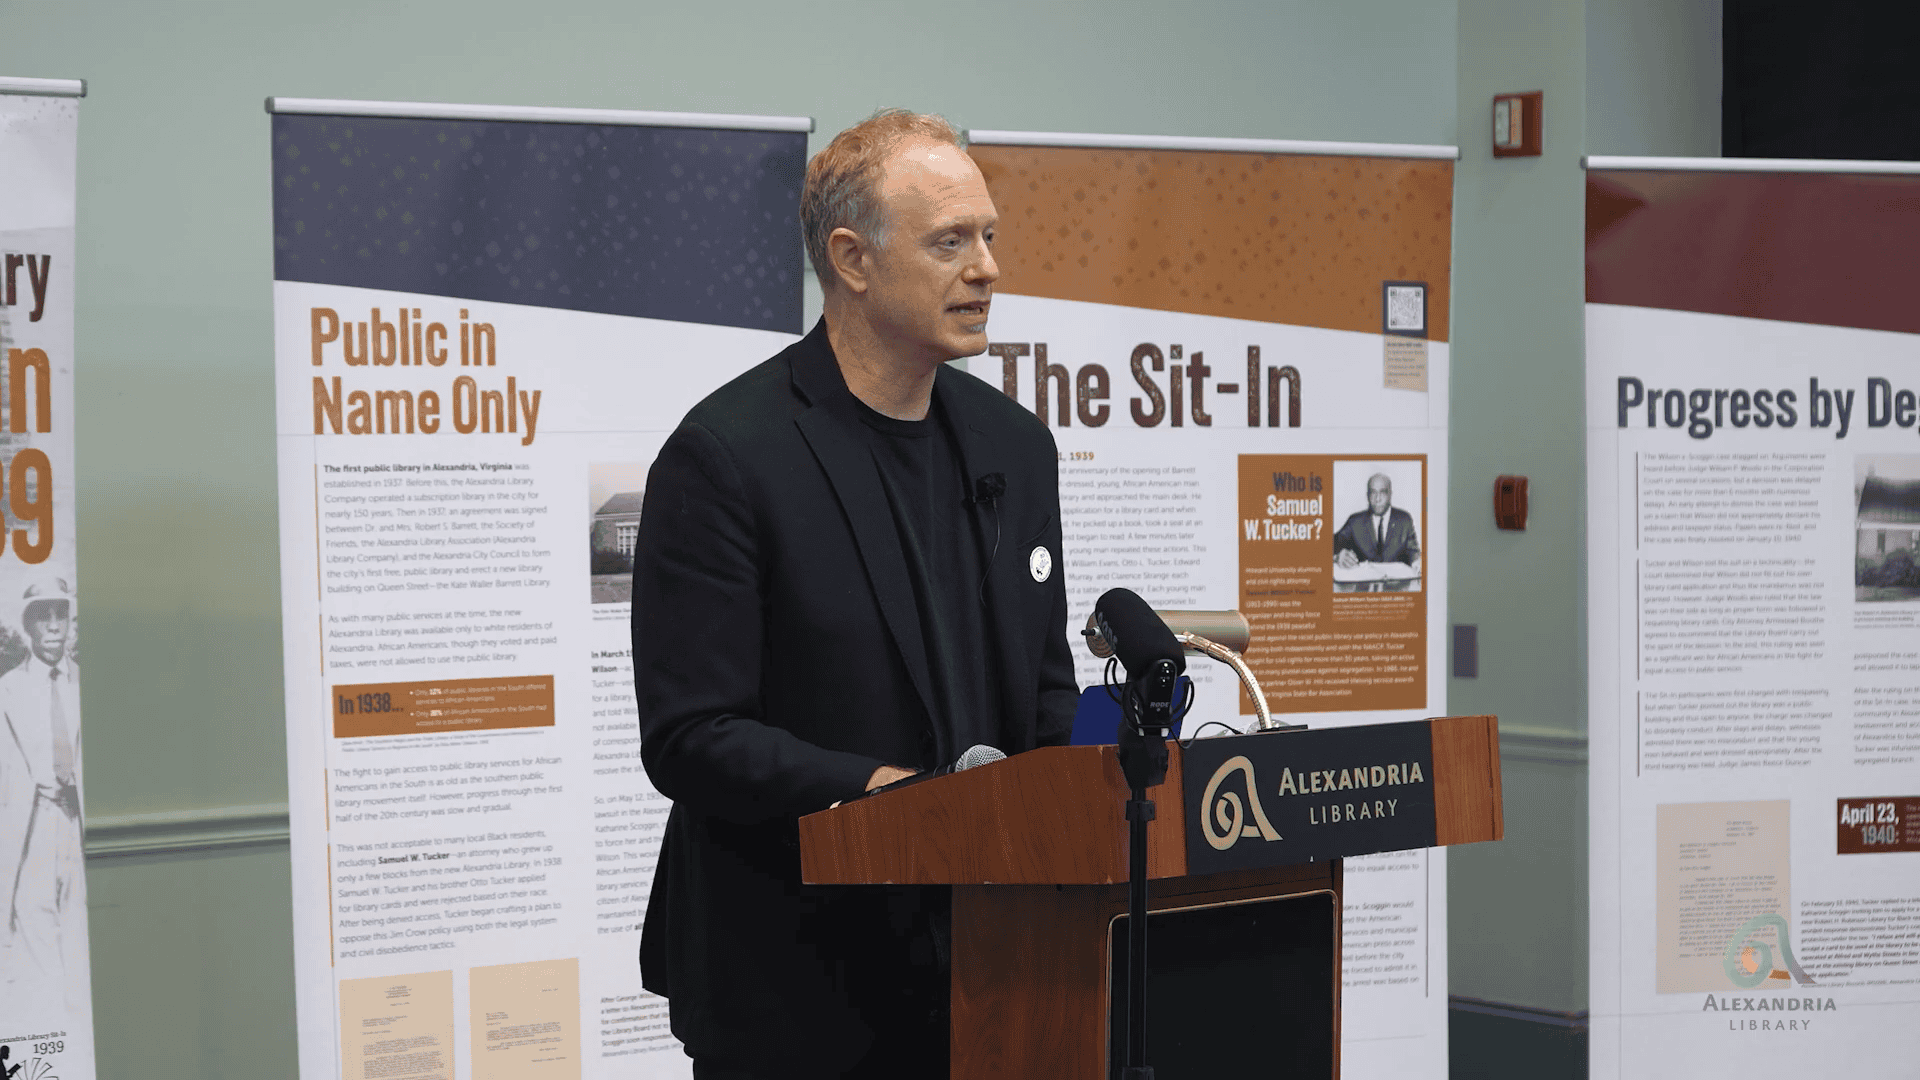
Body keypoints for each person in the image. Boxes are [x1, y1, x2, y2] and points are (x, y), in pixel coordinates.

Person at [630, 110, 1078, 1079]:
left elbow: (1046, 690)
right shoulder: (727, 456)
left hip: (1001, 967)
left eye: (989, 236)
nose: (989, 269)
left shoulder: (1015, 446)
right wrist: (893, 797)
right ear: (852, 259)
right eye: (950, 242)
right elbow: (692, 735)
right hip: (797, 987)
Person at [0, 579, 84, 1019]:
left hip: (80, 825)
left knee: (81, 931)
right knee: (34, 928)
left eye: (60, 614)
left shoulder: (87, 682)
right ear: (28, 624)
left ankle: (81, 1035)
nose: (53, 626)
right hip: (32, 823)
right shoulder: (8, 690)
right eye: (42, 616)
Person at [1333, 472, 1419, 569]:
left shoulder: (1404, 520)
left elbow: (1413, 552)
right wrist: (1337, 557)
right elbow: (1329, 544)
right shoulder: (1355, 522)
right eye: (1373, 493)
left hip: (1396, 579)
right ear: (1367, 496)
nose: (1377, 499)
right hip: (1364, 578)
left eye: (1382, 492)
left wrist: (1417, 563)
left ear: (1390, 494)